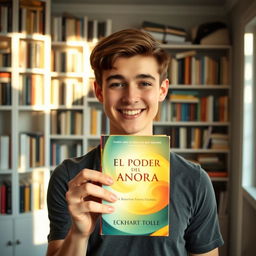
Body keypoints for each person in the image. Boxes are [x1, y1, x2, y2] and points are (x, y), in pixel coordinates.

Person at [46, 28, 224, 256]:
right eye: (117, 84)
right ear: (99, 92)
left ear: (162, 90)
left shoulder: (195, 180)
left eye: (145, 83)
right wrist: (78, 234)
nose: (131, 97)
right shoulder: (70, 177)